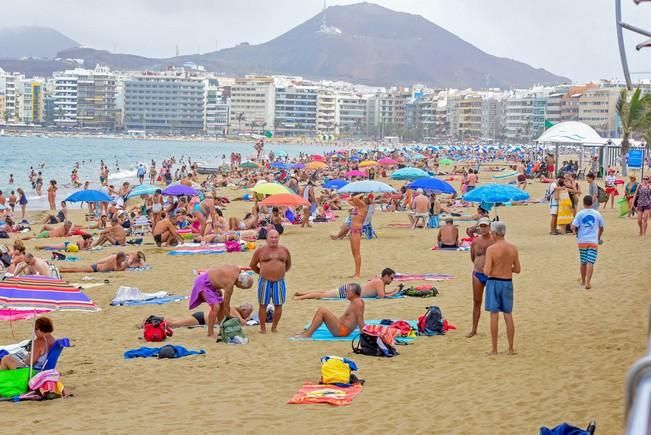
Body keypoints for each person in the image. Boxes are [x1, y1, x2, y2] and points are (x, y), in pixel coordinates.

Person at [483, 222, 520, 355]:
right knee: (508, 314)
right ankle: (510, 348)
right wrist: (506, 267)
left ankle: (494, 349)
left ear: (494, 233)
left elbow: (487, 271)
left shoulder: (491, 249)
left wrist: (491, 268)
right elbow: (517, 269)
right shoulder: (513, 248)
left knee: (494, 314)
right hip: (507, 281)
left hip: (494, 282)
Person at [188, 265, 254, 338]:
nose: (240, 288)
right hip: (204, 283)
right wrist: (229, 317)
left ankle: (222, 329)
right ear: (239, 283)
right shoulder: (229, 285)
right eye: (242, 288)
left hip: (211, 282)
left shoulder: (236, 269)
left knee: (221, 306)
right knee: (216, 307)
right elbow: (227, 304)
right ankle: (210, 333)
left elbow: (240, 267)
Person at [249, 229, 291, 333]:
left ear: (279, 238)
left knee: (279, 304)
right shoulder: (260, 251)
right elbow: (252, 265)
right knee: (263, 304)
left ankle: (274, 327)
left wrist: (281, 272)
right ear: (267, 238)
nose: (274, 239)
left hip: (279, 281)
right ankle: (263, 328)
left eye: (276, 237)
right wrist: (261, 272)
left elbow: (288, 264)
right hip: (264, 281)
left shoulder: (284, 250)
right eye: (271, 237)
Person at [294, 283, 365, 338]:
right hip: (341, 327)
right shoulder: (355, 301)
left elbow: (360, 319)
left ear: (353, 292)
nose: (345, 292)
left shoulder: (357, 302)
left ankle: (307, 334)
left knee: (322, 310)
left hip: (343, 331)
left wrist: (365, 335)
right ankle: (307, 333)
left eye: (347, 291)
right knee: (322, 310)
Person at [466, 217, 495, 338]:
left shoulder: (494, 241)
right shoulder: (476, 241)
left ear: (489, 227)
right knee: (476, 301)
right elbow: (473, 257)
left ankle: (494, 329)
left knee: (493, 303)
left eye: (485, 226)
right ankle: (474, 329)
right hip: (478, 273)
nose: (483, 229)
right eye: (481, 226)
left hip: (491, 274)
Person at [294, 268, 397, 300]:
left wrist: (393, 291)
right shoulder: (379, 282)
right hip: (349, 291)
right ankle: (300, 297)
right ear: (386, 276)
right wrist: (395, 292)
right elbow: (382, 296)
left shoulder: (378, 280)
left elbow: (383, 293)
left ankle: (302, 293)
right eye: (391, 278)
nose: (392, 280)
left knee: (324, 292)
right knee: (322, 295)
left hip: (350, 288)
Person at [571, 195, 604, 290]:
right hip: (593, 241)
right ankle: (588, 282)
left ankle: (583, 280)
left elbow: (573, 227)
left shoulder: (580, 214)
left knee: (583, 262)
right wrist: (598, 237)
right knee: (590, 262)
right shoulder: (597, 214)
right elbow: (601, 228)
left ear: (583, 203)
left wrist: (575, 230)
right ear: (592, 203)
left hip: (582, 241)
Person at [140, 304, 254, 330]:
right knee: (175, 324)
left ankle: (153, 319)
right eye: (247, 313)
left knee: (176, 322)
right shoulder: (233, 309)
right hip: (200, 318)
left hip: (201, 318)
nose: (247, 316)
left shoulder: (233, 309)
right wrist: (247, 320)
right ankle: (150, 320)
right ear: (243, 310)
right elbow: (242, 322)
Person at [347, 194, 367, 278]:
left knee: (357, 253)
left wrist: (362, 193)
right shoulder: (357, 207)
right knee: (354, 253)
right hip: (352, 230)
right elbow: (349, 200)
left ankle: (357, 273)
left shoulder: (363, 206)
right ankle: (355, 273)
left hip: (356, 231)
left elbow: (354, 198)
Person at [59, 252, 127, 273]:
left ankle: (63, 268)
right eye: (122, 260)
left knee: (77, 269)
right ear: (119, 258)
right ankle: (62, 270)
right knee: (77, 270)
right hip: (95, 268)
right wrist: (123, 268)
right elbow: (116, 269)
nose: (123, 261)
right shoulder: (113, 260)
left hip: (96, 268)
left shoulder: (118, 262)